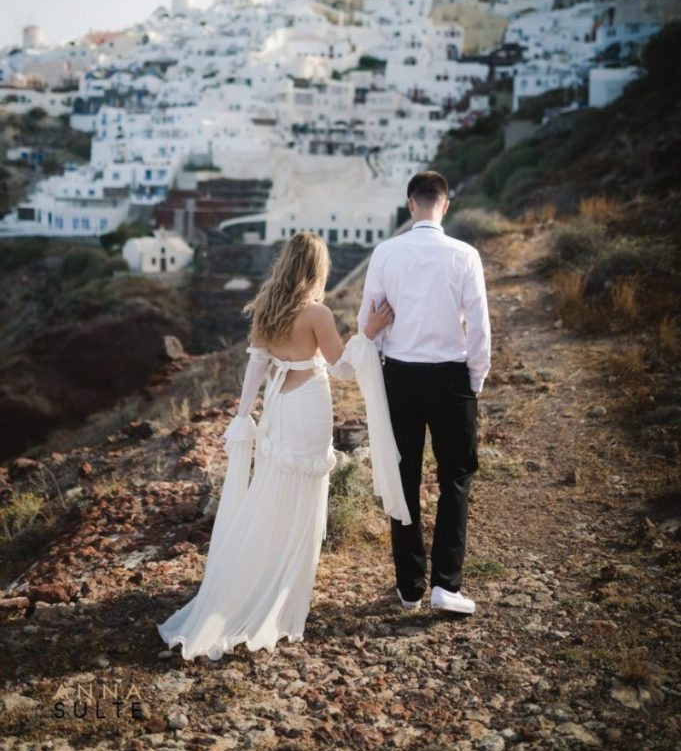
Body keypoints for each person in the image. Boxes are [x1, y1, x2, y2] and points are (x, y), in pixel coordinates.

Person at [157, 231, 410, 660]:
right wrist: (368, 332)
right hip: (308, 405)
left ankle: (257, 577)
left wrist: (243, 415)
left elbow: (256, 366)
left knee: (272, 491)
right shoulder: (317, 314)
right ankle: (283, 591)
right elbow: (343, 368)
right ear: (317, 269)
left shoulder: (267, 306)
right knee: (302, 493)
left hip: (277, 407)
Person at [357, 170, 491, 615]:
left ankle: (410, 588)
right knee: (455, 478)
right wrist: (475, 379)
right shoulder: (465, 254)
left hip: (399, 378)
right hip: (452, 377)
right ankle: (446, 586)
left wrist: (382, 359)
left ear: (411, 204)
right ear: (445, 205)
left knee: (404, 479)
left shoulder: (386, 253)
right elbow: (479, 326)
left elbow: (367, 322)